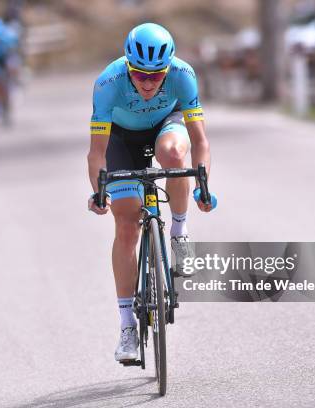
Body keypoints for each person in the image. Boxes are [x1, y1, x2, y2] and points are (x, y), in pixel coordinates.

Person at [86, 23, 217, 362]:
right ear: (128, 66)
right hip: (120, 139)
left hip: (165, 126)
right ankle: (127, 325)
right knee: (127, 223)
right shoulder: (108, 83)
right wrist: (98, 192)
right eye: (140, 75)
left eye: (156, 76)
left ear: (168, 68)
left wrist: (203, 186)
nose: (147, 83)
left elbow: (200, 141)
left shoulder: (183, 74)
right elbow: (97, 153)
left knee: (175, 156)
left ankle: (179, 231)